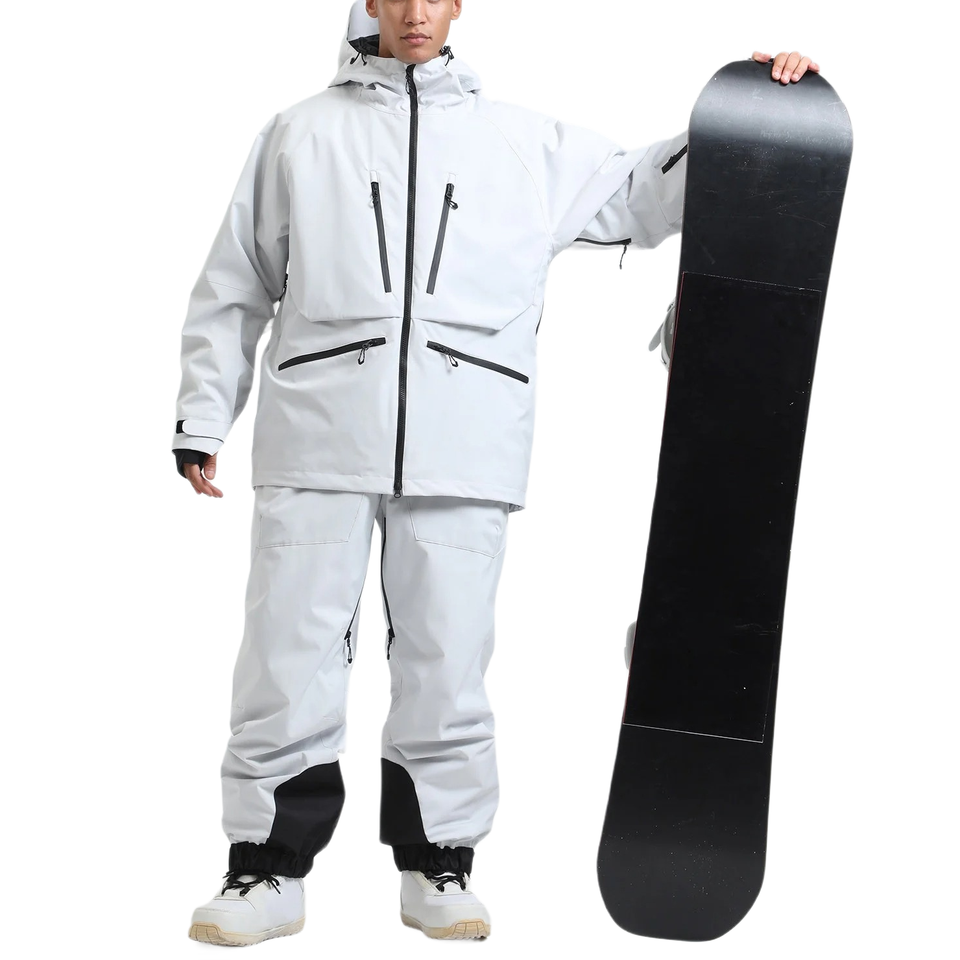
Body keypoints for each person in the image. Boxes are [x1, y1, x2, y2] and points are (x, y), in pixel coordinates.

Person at [174, 0, 819, 945]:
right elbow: (236, 282)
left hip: (466, 442)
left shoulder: (522, 144)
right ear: (369, 3)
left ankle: (438, 863)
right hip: (317, 437)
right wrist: (203, 414)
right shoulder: (299, 135)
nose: (415, 12)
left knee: (445, 661)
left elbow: (642, 191)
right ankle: (265, 868)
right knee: (287, 660)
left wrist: (751, 113)